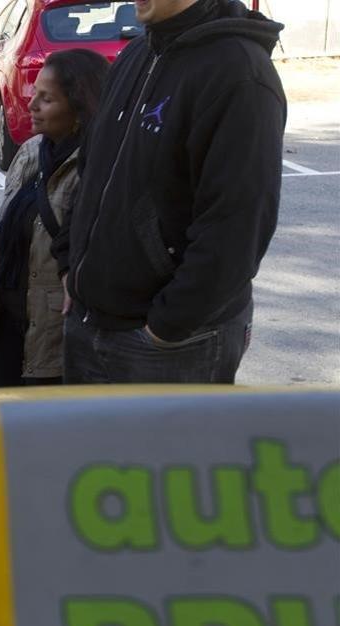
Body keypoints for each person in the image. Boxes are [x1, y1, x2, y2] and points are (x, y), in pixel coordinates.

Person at [56, 0, 286, 384]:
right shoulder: (135, 54)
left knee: (169, 449)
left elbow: (238, 224)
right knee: (90, 447)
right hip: (88, 323)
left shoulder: (240, 74)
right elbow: (90, 171)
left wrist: (166, 327)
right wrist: (69, 264)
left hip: (170, 345)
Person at [0, 49, 109, 387]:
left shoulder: (97, 167)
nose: (32, 104)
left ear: (79, 109)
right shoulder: (31, 151)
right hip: (8, 323)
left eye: (47, 99)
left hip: (54, 333)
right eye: (35, 92)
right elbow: (7, 233)